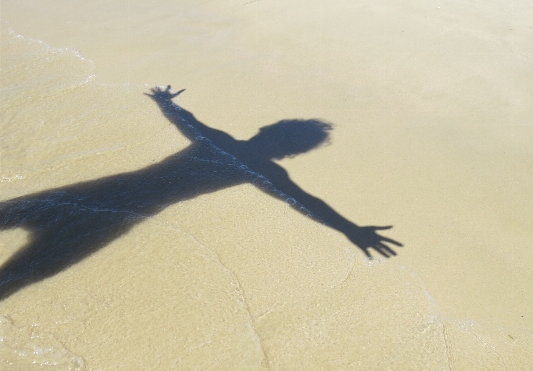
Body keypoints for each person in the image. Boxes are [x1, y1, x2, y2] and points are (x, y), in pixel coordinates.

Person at [0, 85, 400, 300]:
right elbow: (306, 202)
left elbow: (185, 120)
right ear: (290, 151)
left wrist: (165, 102)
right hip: (121, 212)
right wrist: (349, 229)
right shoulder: (261, 170)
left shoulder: (223, 145)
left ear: (271, 132)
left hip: (106, 193)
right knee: (19, 275)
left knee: (17, 249)